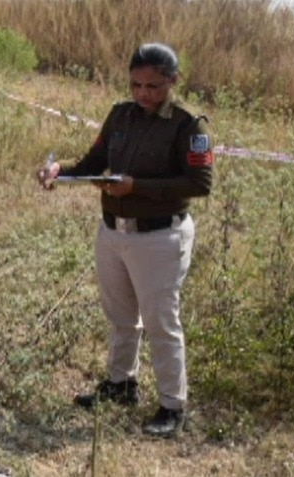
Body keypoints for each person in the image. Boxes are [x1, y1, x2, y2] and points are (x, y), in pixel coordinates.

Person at [37, 43, 214, 438]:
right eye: (136, 84)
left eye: (153, 86)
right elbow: (91, 164)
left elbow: (200, 183)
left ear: (173, 81)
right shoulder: (120, 115)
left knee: (160, 322)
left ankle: (172, 405)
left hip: (160, 236)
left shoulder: (188, 125)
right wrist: (58, 170)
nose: (144, 94)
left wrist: (138, 187)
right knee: (120, 316)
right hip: (114, 231)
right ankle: (121, 385)